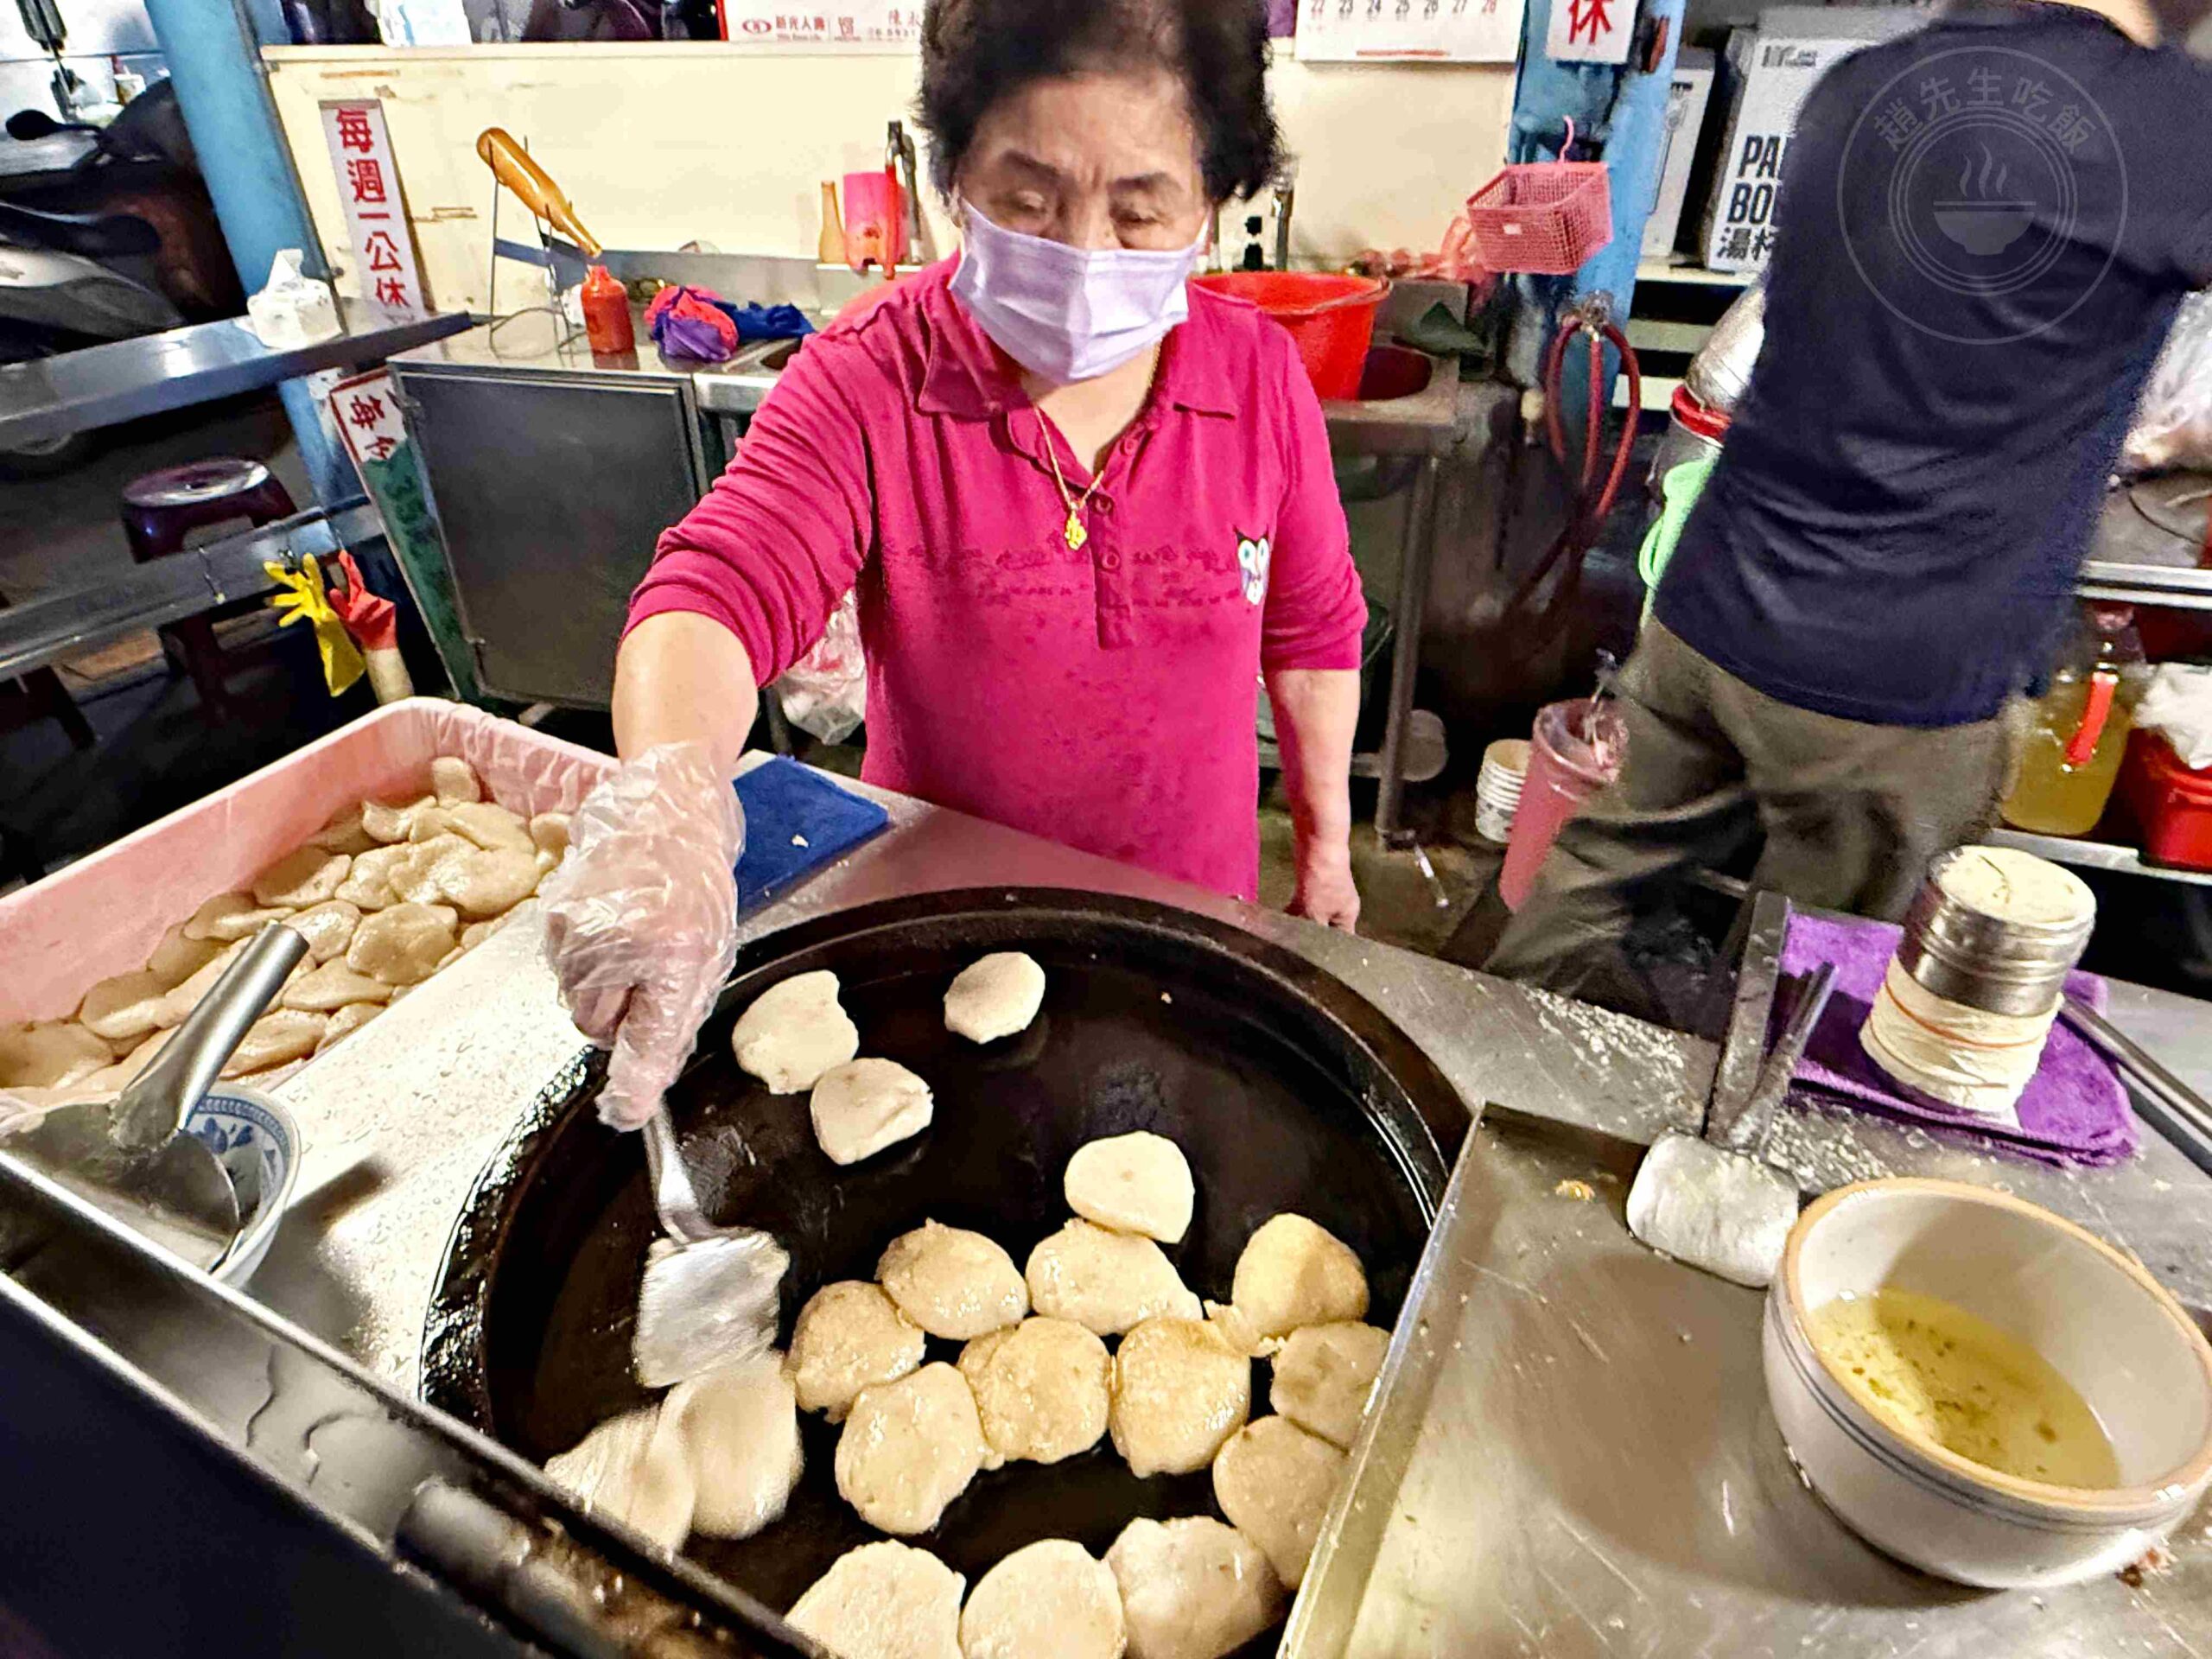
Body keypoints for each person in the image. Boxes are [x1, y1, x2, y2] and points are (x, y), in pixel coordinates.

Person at [542, 0, 1369, 1128]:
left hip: (1191, 939)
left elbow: (1313, 634)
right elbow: (720, 586)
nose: (1084, 255)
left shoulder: (1260, 380)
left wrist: (1324, 850)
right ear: (955, 186)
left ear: (1214, 208)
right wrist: (668, 802)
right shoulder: (871, 378)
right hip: (935, 952)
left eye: (1140, 211)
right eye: (1030, 201)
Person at [1489, 0, 2212, 1021]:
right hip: (1893, 676)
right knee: (1804, 989)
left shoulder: (1865, 87)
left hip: (1709, 610)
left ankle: (1476, 1096)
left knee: (1587, 882)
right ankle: (1737, 1163)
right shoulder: (2168, 122)